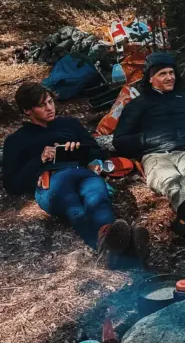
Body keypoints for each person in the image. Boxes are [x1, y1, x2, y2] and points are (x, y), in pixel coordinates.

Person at [2, 81, 148, 263]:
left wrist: (79, 149)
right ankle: (123, 251)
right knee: (75, 210)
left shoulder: (69, 124)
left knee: (98, 197)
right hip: (52, 181)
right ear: (27, 110)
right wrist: (39, 160)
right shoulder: (16, 140)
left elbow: (97, 151)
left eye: (50, 102)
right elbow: (11, 183)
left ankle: (111, 249)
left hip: (81, 172)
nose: (49, 108)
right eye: (42, 105)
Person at [113, 52, 185, 238]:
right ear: (151, 78)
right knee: (169, 181)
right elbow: (120, 141)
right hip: (156, 155)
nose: (170, 77)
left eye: (171, 72)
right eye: (162, 74)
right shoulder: (138, 104)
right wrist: (147, 140)